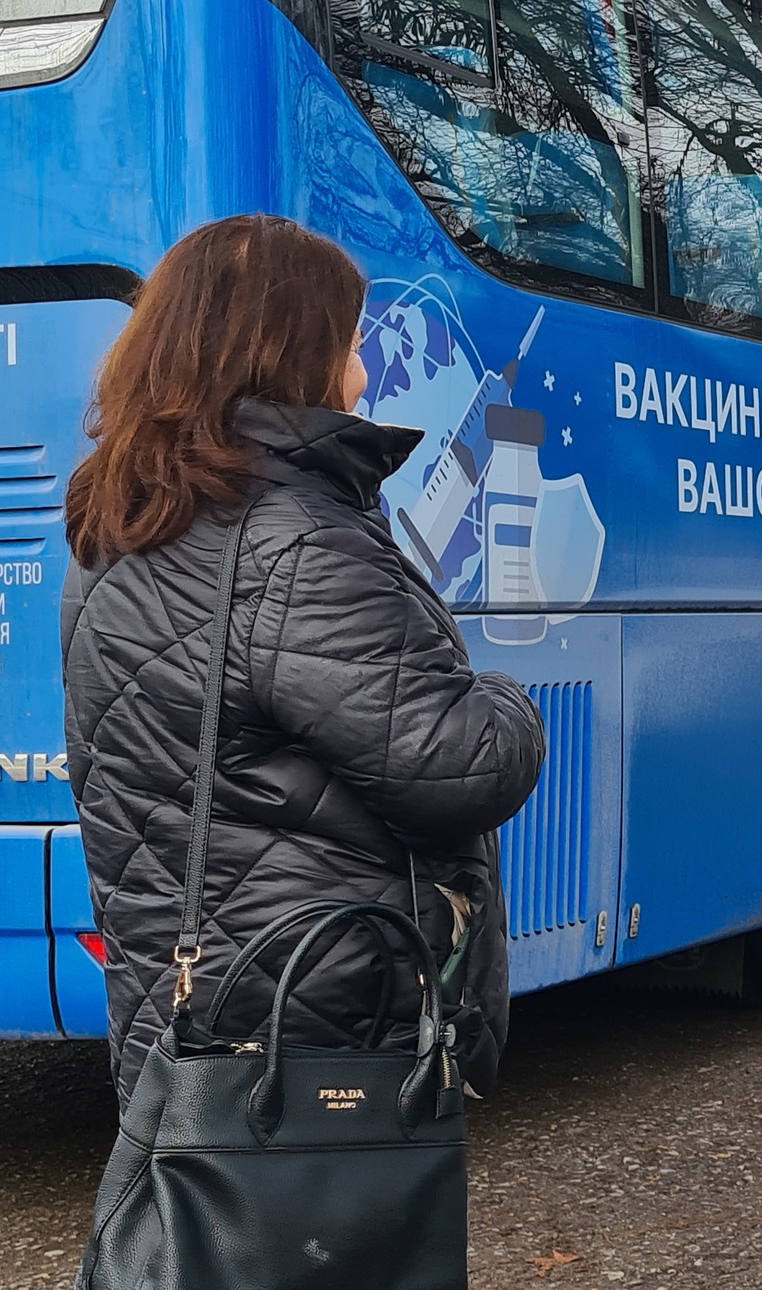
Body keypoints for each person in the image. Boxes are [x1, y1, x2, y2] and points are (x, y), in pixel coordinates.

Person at [61, 214, 545, 1106]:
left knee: (210, 1240)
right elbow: (456, 765)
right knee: (338, 1246)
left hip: (189, 1008)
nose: (363, 373)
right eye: (352, 342)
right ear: (291, 355)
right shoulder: (296, 541)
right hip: (319, 1021)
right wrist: (507, 697)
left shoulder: (118, 529)